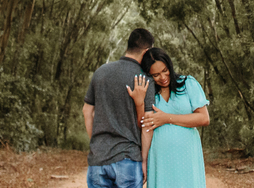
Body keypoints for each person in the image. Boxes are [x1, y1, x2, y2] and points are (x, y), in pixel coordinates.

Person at [83, 28, 156, 188]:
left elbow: (87, 111)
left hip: (98, 159)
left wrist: (96, 144)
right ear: (146, 51)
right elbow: (147, 126)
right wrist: (144, 160)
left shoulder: (100, 72)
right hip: (129, 159)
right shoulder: (145, 79)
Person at [130, 47, 210, 188]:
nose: (163, 77)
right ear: (148, 75)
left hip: (187, 157)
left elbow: (204, 118)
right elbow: (144, 127)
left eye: (165, 70)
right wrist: (143, 160)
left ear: (170, 66)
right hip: (160, 161)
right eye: (155, 75)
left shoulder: (187, 84)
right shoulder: (149, 94)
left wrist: (167, 118)